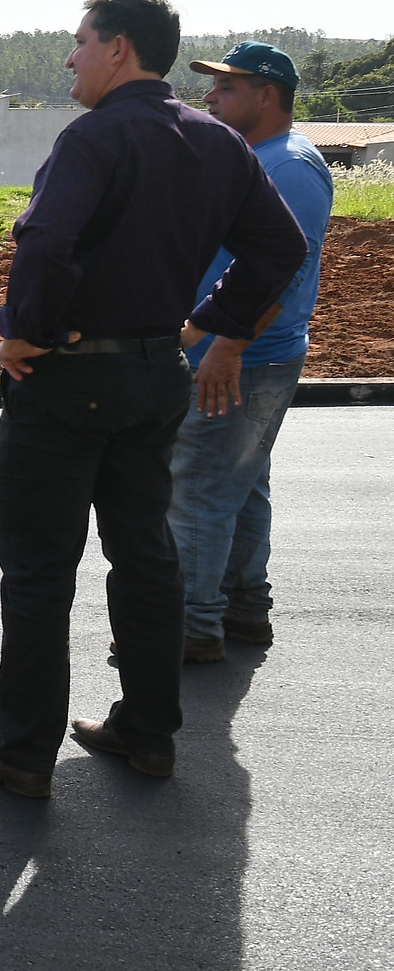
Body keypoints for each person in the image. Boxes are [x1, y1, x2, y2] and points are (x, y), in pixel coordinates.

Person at [0, 0, 306, 798]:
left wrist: (22, 333)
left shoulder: (95, 137)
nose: (70, 57)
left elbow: (44, 238)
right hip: (155, 377)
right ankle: (148, 731)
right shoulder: (216, 141)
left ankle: (23, 747)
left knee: (40, 566)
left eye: (79, 42)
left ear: (118, 49)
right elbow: (278, 247)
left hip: (68, 378)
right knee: (145, 554)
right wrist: (207, 322)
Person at [171, 43, 332, 662]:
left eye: (227, 87)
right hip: (244, 353)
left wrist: (227, 345)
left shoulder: (289, 167)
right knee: (242, 483)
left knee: (198, 489)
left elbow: (284, 273)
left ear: (266, 95)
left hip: (244, 357)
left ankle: (190, 625)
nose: (211, 97)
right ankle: (241, 607)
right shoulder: (258, 158)